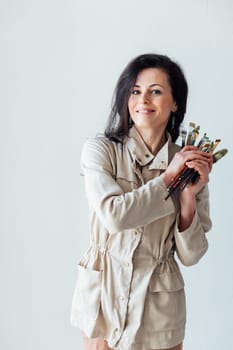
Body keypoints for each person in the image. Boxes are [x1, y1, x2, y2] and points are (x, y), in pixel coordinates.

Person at [70, 53, 212, 350]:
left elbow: (192, 255)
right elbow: (114, 216)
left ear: (175, 103)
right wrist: (169, 180)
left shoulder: (189, 162)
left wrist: (187, 196)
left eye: (156, 91)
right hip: (103, 304)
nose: (143, 99)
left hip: (159, 313)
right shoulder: (99, 151)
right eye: (135, 91)